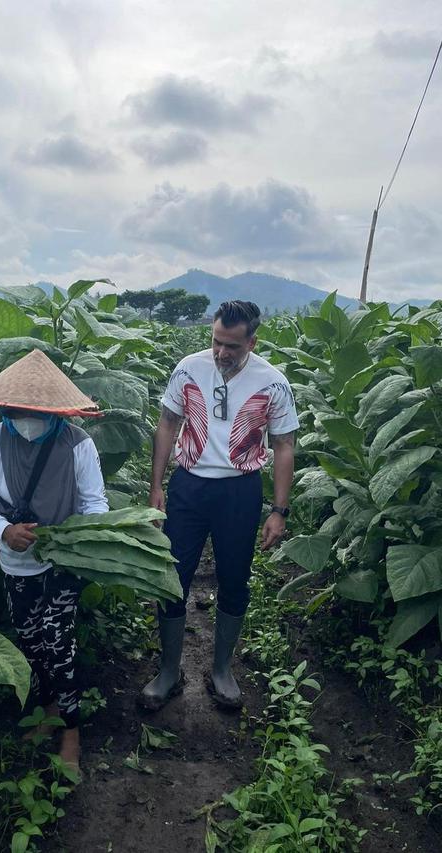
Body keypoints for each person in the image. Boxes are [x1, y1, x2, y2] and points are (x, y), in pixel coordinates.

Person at [139, 300, 299, 712]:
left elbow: (283, 445)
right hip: (188, 487)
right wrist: (156, 486)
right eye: (216, 342)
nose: (221, 353)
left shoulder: (273, 383)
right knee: (172, 577)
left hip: (239, 491)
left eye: (232, 346)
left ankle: (222, 669)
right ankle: (169, 671)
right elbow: (167, 424)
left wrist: (279, 510)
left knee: (234, 579)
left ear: (252, 342)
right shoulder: (188, 368)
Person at [0, 349, 108, 771]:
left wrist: (71, 537)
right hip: (15, 559)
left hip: (64, 560)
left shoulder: (79, 445)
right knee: (28, 638)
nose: (25, 417)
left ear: (55, 411)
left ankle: (72, 732)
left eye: (34, 410)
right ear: (4, 408)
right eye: (16, 409)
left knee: (57, 639)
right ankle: (48, 711)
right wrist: (4, 530)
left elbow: (94, 503)